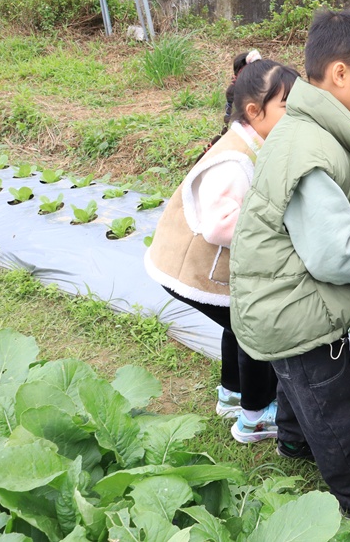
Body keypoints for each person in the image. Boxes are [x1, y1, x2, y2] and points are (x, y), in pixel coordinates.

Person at [229, 10, 350, 517]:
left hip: (276, 299)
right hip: (292, 308)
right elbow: (334, 259)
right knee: (332, 408)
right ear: (340, 74)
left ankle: (293, 443)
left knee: (297, 386)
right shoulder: (311, 151)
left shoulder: (310, 128)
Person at [145, 50, 294, 443]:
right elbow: (219, 225)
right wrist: (276, 231)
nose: (295, 117)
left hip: (193, 264)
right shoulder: (234, 159)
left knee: (236, 324)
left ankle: (232, 393)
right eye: (286, 107)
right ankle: (256, 416)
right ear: (254, 110)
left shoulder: (248, 141)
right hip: (195, 268)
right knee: (254, 332)